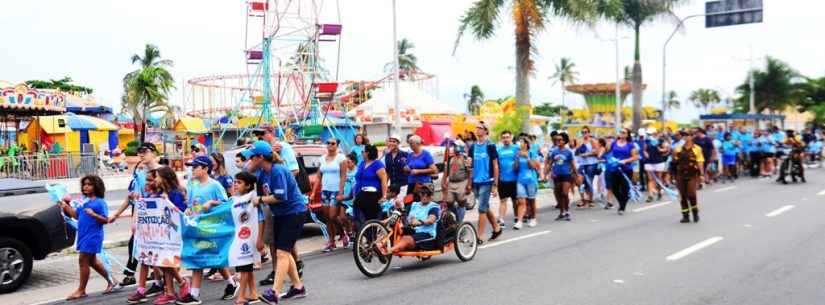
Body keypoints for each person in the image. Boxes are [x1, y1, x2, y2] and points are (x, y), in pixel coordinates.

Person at [241, 141, 308, 304]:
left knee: (282, 253)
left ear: (261, 157)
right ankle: (298, 287)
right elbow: (246, 173)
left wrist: (261, 199)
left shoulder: (278, 171)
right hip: (281, 214)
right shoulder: (263, 173)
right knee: (283, 251)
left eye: (252, 158)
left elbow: (280, 197)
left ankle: (274, 293)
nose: (250, 161)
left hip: (294, 213)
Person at [110, 143, 166, 301]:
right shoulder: (139, 174)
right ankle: (149, 284)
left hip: (160, 215)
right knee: (144, 251)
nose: (141, 154)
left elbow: (172, 192)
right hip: (143, 216)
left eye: (145, 151)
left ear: (154, 153)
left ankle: (165, 282)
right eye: (139, 152)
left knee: (159, 252)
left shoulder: (163, 171)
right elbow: (132, 197)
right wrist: (117, 214)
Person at [177, 156, 236, 305]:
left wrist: (211, 203)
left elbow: (226, 204)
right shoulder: (191, 184)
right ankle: (232, 283)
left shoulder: (215, 185)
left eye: (195, 167)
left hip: (211, 227)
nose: (193, 170)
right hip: (196, 227)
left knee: (200, 259)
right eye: (192, 167)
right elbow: (190, 204)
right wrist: (189, 210)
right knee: (212, 258)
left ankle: (194, 295)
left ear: (205, 169)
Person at [202, 172, 263, 305]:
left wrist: (260, 238)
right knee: (244, 266)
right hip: (239, 238)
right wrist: (211, 203)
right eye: (235, 182)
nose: (235, 184)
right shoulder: (234, 199)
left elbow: (261, 218)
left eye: (239, 182)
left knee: (245, 267)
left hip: (250, 237)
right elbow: (224, 206)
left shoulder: (252, 197)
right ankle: (253, 293)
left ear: (248, 186)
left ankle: (240, 297)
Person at [60, 175, 120, 300]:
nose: (85, 186)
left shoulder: (99, 202)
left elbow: (105, 220)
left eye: (89, 184)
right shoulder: (84, 201)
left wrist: (93, 214)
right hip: (84, 234)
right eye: (84, 184)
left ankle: (81, 290)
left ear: (96, 186)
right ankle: (112, 281)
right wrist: (65, 206)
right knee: (92, 261)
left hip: (93, 235)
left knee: (83, 260)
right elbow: (76, 216)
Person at [147, 167, 188, 305]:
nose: (155, 179)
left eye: (157, 177)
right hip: (162, 231)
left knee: (168, 261)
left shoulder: (176, 193)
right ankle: (170, 292)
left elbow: (180, 212)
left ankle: (181, 283)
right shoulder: (158, 192)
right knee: (162, 261)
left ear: (165, 178)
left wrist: (167, 201)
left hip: (175, 232)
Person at [376, 186, 440, 256]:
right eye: (422, 193)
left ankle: (387, 252)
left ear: (431, 195)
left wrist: (420, 222)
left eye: (427, 194)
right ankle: (378, 245)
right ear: (420, 194)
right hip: (412, 230)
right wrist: (399, 208)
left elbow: (431, 220)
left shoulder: (433, 206)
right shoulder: (414, 205)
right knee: (395, 227)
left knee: (406, 239)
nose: (424, 196)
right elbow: (403, 213)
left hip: (426, 234)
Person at [467, 122, 502, 244]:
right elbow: (470, 165)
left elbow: (495, 165)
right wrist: (469, 181)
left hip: (487, 181)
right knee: (485, 207)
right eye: (476, 127)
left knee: (481, 209)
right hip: (476, 181)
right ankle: (496, 228)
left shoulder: (490, 145)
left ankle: (479, 236)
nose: (477, 129)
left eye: (480, 128)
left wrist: (495, 184)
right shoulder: (472, 147)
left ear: (486, 131)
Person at [314, 138, 348, 252]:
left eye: (332, 143)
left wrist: (340, 191)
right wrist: (314, 192)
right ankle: (331, 241)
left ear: (337, 145)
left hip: (336, 190)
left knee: (333, 216)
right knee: (327, 217)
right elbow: (318, 176)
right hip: (325, 190)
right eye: (327, 143)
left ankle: (343, 234)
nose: (329, 145)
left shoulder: (341, 158)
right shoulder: (322, 159)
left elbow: (343, 176)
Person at [352, 144, 389, 227]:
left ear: (367, 153)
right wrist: (354, 194)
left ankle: (371, 237)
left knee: (370, 218)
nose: (361, 153)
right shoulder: (362, 163)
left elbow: (384, 180)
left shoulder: (377, 164)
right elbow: (357, 180)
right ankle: (362, 235)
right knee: (357, 217)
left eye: (362, 152)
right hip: (360, 195)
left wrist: (384, 196)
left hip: (372, 195)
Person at [673, 131, 704, 223]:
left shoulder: (697, 148)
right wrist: (672, 175)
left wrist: (702, 174)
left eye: (687, 135)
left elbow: (700, 161)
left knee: (691, 193)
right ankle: (685, 215)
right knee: (682, 195)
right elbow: (674, 162)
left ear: (692, 136)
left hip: (693, 174)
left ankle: (695, 212)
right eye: (684, 136)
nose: (685, 137)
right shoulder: (678, 149)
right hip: (681, 174)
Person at [607, 128, 639, 215]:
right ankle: (622, 202)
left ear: (627, 135)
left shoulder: (630, 145)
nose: (621, 133)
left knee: (625, 189)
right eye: (620, 132)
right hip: (614, 168)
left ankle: (622, 206)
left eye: (624, 132)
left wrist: (625, 161)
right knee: (614, 188)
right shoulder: (614, 143)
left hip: (626, 170)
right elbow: (608, 152)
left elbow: (635, 157)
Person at [546, 133, 576, 221]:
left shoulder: (568, 152)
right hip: (556, 175)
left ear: (564, 141)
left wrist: (576, 174)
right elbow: (550, 163)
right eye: (556, 140)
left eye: (560, 140)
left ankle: (567, 211)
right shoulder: (554, 151)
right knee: (558, 194)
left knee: (565, 193)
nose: (557, 141)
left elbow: (572, 164)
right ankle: (561, 212)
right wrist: (545, 173)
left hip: (566, 175)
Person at [513, 137, 541, 228]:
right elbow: (515, 169)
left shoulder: (532, 153)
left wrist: (527, 157)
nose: (519, 144)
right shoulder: (517, 153)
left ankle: (533, 219)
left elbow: (533, 166)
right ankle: (519, 222)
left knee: (531, 200)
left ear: (526, 144)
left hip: (531, 180)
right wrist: (517, 159)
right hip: (520, 180)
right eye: (519, 142)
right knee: (521, 201)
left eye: (521, 142)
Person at [442, 142, 471, 223]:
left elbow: (469, 171)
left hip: (462, 182)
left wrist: (469, 184)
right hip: (451, 182)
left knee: (461, 202)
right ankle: (457, 217)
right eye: (454, 146)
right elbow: (446, 171)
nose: (455, 148)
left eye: (456, 146)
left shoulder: (465, 158)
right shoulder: (450, 158)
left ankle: (459, 223)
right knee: (449, 202)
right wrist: (444, 182)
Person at [495, 131, 519, 228]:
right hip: (502, 179)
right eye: (504, 137)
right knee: (503, 200)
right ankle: (501, 220)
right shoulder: (499, 150)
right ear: (501, 139)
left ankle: (517, 217)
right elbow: (496, 165)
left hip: (515, 179)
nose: (506, 139)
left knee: (515, 201)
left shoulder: (516, 148)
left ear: (511, 137)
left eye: (507, 137)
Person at [404, 135, 437, 202]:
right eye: (409, 143)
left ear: (418, 144)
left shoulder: (426, 154)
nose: (410, 145)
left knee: (422, 203)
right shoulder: (410, 155)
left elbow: (433, 169)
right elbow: (407, 168)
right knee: (408, 203)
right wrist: (406, 168)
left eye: (411, 143)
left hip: (423, 184)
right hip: (411, 183)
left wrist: (419, 171)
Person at [574, 127, 599, 208]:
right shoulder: (580, 141)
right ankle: (583, 199)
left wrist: (587, 154)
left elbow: (597, 151)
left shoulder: (592, 141)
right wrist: (578, 147)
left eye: (585, 132)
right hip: (582, 164)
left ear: (589, 133)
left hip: (591, 163)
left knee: (589, 182)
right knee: (579, 181)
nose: (584, 133)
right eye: (582, 132)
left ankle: (591, 200)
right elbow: (576, 153)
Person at [643, 129, 669, 202]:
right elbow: (644, 149)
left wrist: (661, 150)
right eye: (650, 133)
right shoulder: (647, 141)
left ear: (656, 133)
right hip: (649, 162)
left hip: (659, 161)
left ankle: (660, 191)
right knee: (650, 179)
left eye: (653, 133)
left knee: (658, 178)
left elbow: (666, 149)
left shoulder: (660, 140)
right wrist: (646, 154)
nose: (651, 134)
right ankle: (650, 195)